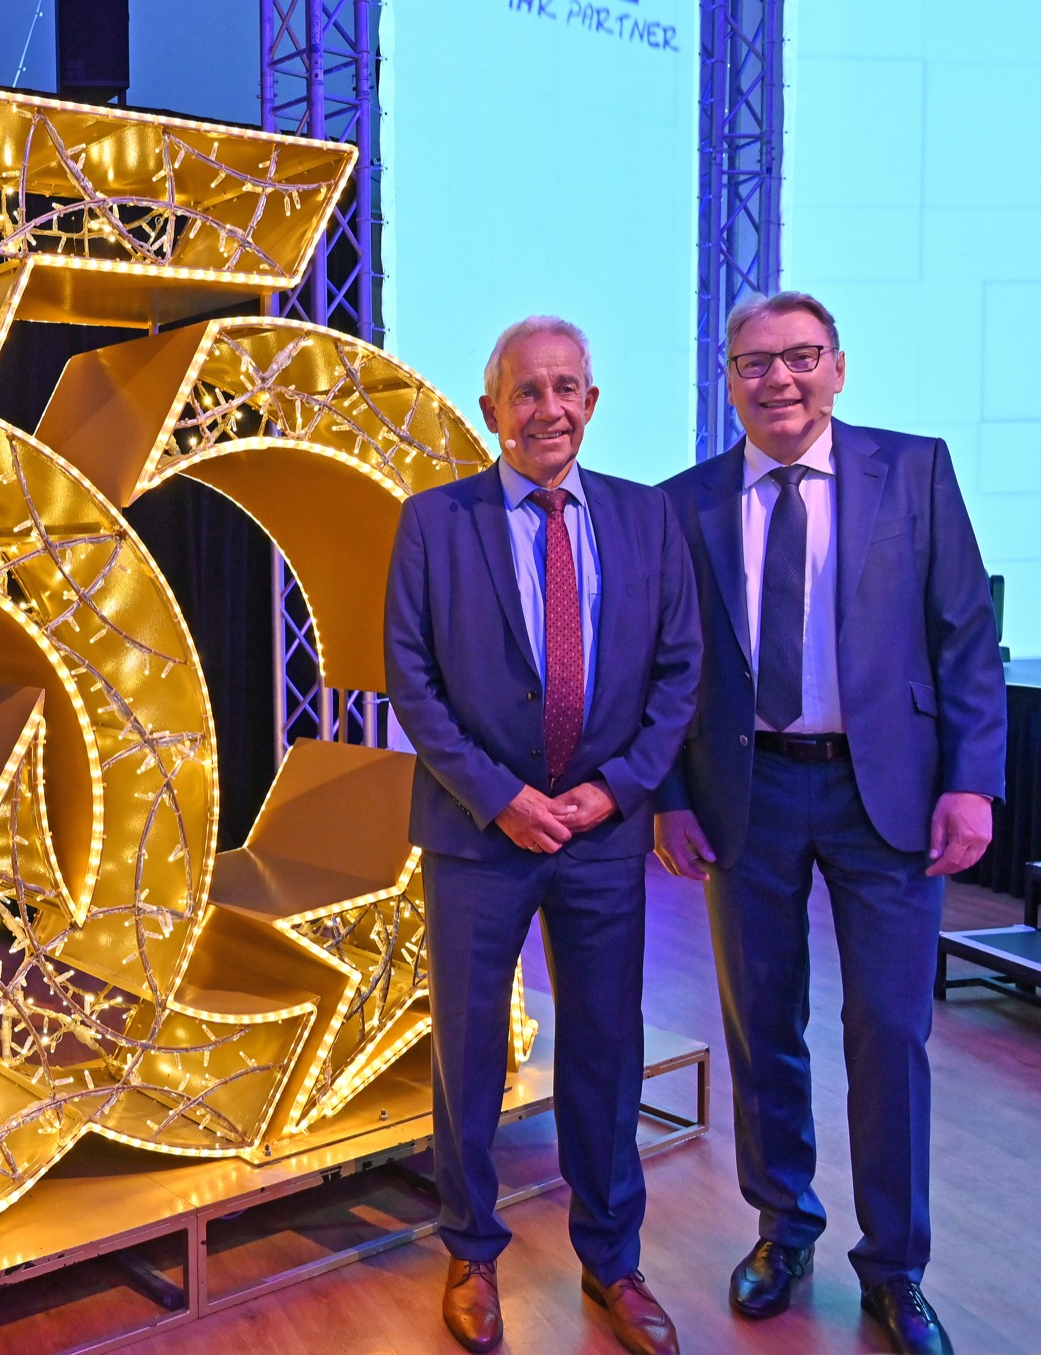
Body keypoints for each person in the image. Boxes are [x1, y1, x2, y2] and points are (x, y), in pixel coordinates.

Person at [654, 291, 1004, 1355]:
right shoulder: (685, 502)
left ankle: (896, 1266)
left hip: (885, 792)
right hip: (746, 793)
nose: (781, 379)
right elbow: (667, 666)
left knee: (890, 1029)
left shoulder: (915, 471)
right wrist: (670, 795)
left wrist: (972, 780)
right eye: (755, 362)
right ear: (729, 380)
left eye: (802, 356)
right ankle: (784, 1226)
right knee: (762, 1021)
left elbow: (965, 636)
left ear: (839, 367)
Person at [385, 317, 701, 1354]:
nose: (548, 409)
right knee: (471, 1050)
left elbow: (679, 671)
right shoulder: (434, 522)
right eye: (526, 391)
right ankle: (471, 1251)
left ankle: (612, 1260)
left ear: (592, 403)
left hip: (603, 836)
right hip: (480, 833)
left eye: (566, 388)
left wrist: (615, 790)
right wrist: (503, 796)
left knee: (607, 1048)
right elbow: (413, 682)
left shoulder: (648, 517)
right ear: (492, 410)